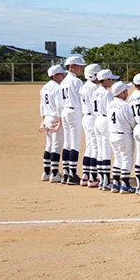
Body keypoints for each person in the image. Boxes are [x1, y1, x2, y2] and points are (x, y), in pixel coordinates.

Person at [59, 55, 86, 185]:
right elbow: (82, 98)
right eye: (79, 66)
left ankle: (66, 173)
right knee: (75, 143)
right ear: (72, 67)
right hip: (74, 110)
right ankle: (72, 174)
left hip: (65, 110)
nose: (81, 69)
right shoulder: (77, 81)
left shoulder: (63, 81)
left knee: (67, 143)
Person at [39, 65, 66, 183]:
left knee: (49, 145)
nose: (63, 76)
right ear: (54, 76)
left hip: (48, 117)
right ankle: (55, 173)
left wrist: (43, 120)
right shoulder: (57, 88)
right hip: (55, 117)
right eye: (61, 74)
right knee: (57, 145)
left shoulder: (44, 88)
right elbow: (59, 105)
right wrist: (60, 121)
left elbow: (42, 105)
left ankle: (46, 171)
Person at [108, 81, 136, 193]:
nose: (127, 93)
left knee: (118, 158)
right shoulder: (125, 105)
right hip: (124, 135)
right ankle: (125, 184)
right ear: (121, 93)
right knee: (127, 159)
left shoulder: (110, 104)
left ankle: (115, 183)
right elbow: (131, 121)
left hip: (113, 134)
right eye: (125, 91)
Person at [94, 69, 118, 191]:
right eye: (111, 79)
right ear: (106, 80)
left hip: (96, 120)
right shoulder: (107, 94)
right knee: (106, 152)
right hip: (104, 121)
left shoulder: (96, 91)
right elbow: (110, 110)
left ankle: (102, 180)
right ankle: (106, 181)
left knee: (100, 152)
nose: (112, 82)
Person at [80, 63, 101, 186]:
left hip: (86, 117)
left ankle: (85, 175)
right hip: (93, 117)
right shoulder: (94, 88)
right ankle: (93, 178)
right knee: (95, 148)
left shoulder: (85, 86)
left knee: (89, 147)